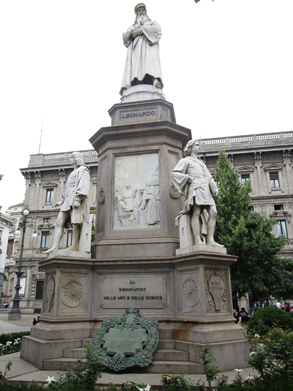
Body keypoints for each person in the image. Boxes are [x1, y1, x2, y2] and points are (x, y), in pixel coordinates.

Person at [171, 139, 223, 247]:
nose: (199, 146)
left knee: (213, 212)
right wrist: (187, 178)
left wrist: (213, 185)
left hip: (206, 187)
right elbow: (174, 173)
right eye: (197, 145)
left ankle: (210, 240)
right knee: (196, 212)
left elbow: (209, 176)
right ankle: (197, 239)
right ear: (190, 147)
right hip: (196, 187)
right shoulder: (186, 160)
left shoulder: (201, 163)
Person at [44, 152, 90, 253]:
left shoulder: (83, 170)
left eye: (72, 157)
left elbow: (84, 185)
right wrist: (61, 200)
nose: (70, 159)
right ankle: (55, 246)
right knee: (59, 222)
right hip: (68, 200)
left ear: (77, 159)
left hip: (75, 199)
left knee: (75, 222)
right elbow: (69, 187)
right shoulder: (73, 172)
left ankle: (74, 245)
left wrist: (78, 199)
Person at [120, 3, 163, 95]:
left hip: (148, 47)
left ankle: (155, 80)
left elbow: (157, 29)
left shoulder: (151, 23)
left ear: (145, 11)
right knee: (136, 67)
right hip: (136, 49)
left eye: (142, 10)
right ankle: (136, 83)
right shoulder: (132, 27)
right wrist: (134, 31)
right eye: (139, 10)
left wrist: (142, 30)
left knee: (150, 64)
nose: (141, 12)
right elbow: (125, 37)